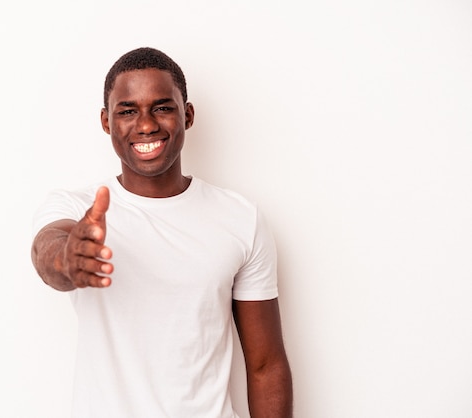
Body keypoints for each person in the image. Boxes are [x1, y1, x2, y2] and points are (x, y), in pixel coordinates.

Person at [31, 47, 293, 418]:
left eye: (162, 107)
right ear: (107, 121)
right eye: (127, 111)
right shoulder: (75, 207)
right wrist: (68, 258)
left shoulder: (241, 218)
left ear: (187, 115)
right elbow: (48, 252)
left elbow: (266, 365)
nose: (146, 124)